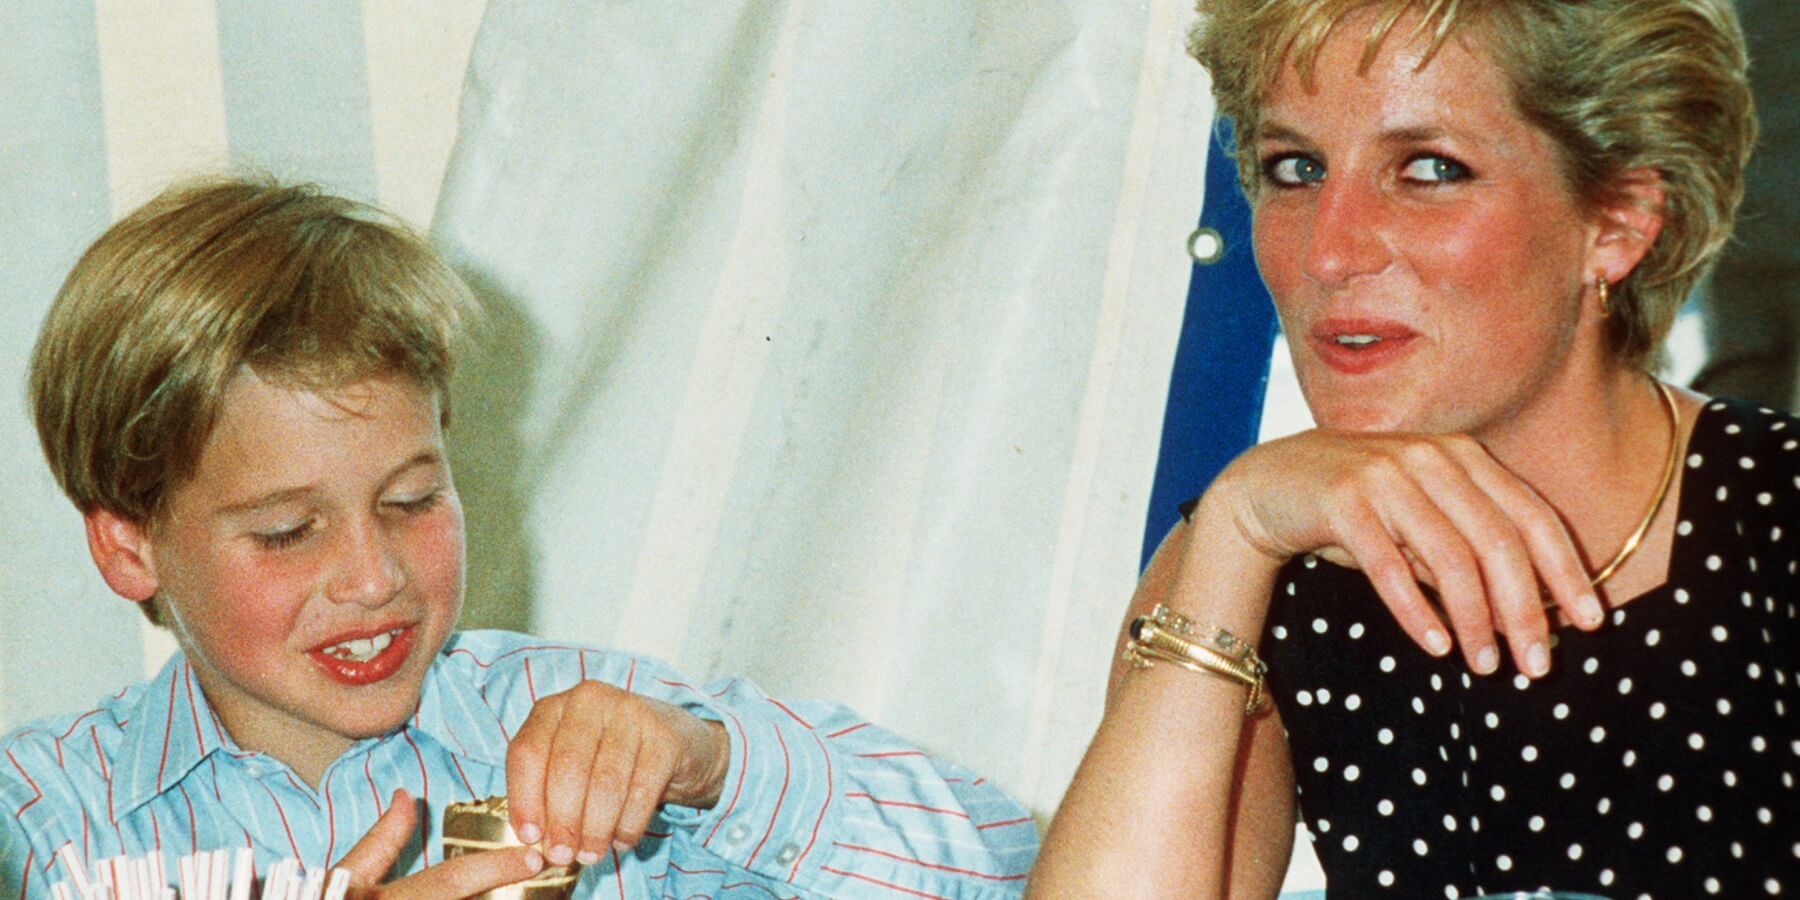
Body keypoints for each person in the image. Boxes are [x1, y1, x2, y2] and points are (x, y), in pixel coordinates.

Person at [0, 179, 1038, 899]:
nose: (373, 577)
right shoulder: (41, 820)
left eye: (411, 499)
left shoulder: (585, 730)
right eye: (286, 531)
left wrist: (715, 764)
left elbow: (1018, 868)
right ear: (131, 547)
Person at [1031, 0, 1792, 896]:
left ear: (1617, 224)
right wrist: (1233, 530)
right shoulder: (1258, 555)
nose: (1330, 250)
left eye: (1429, 169)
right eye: (1295, 167)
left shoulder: (1771, 507)